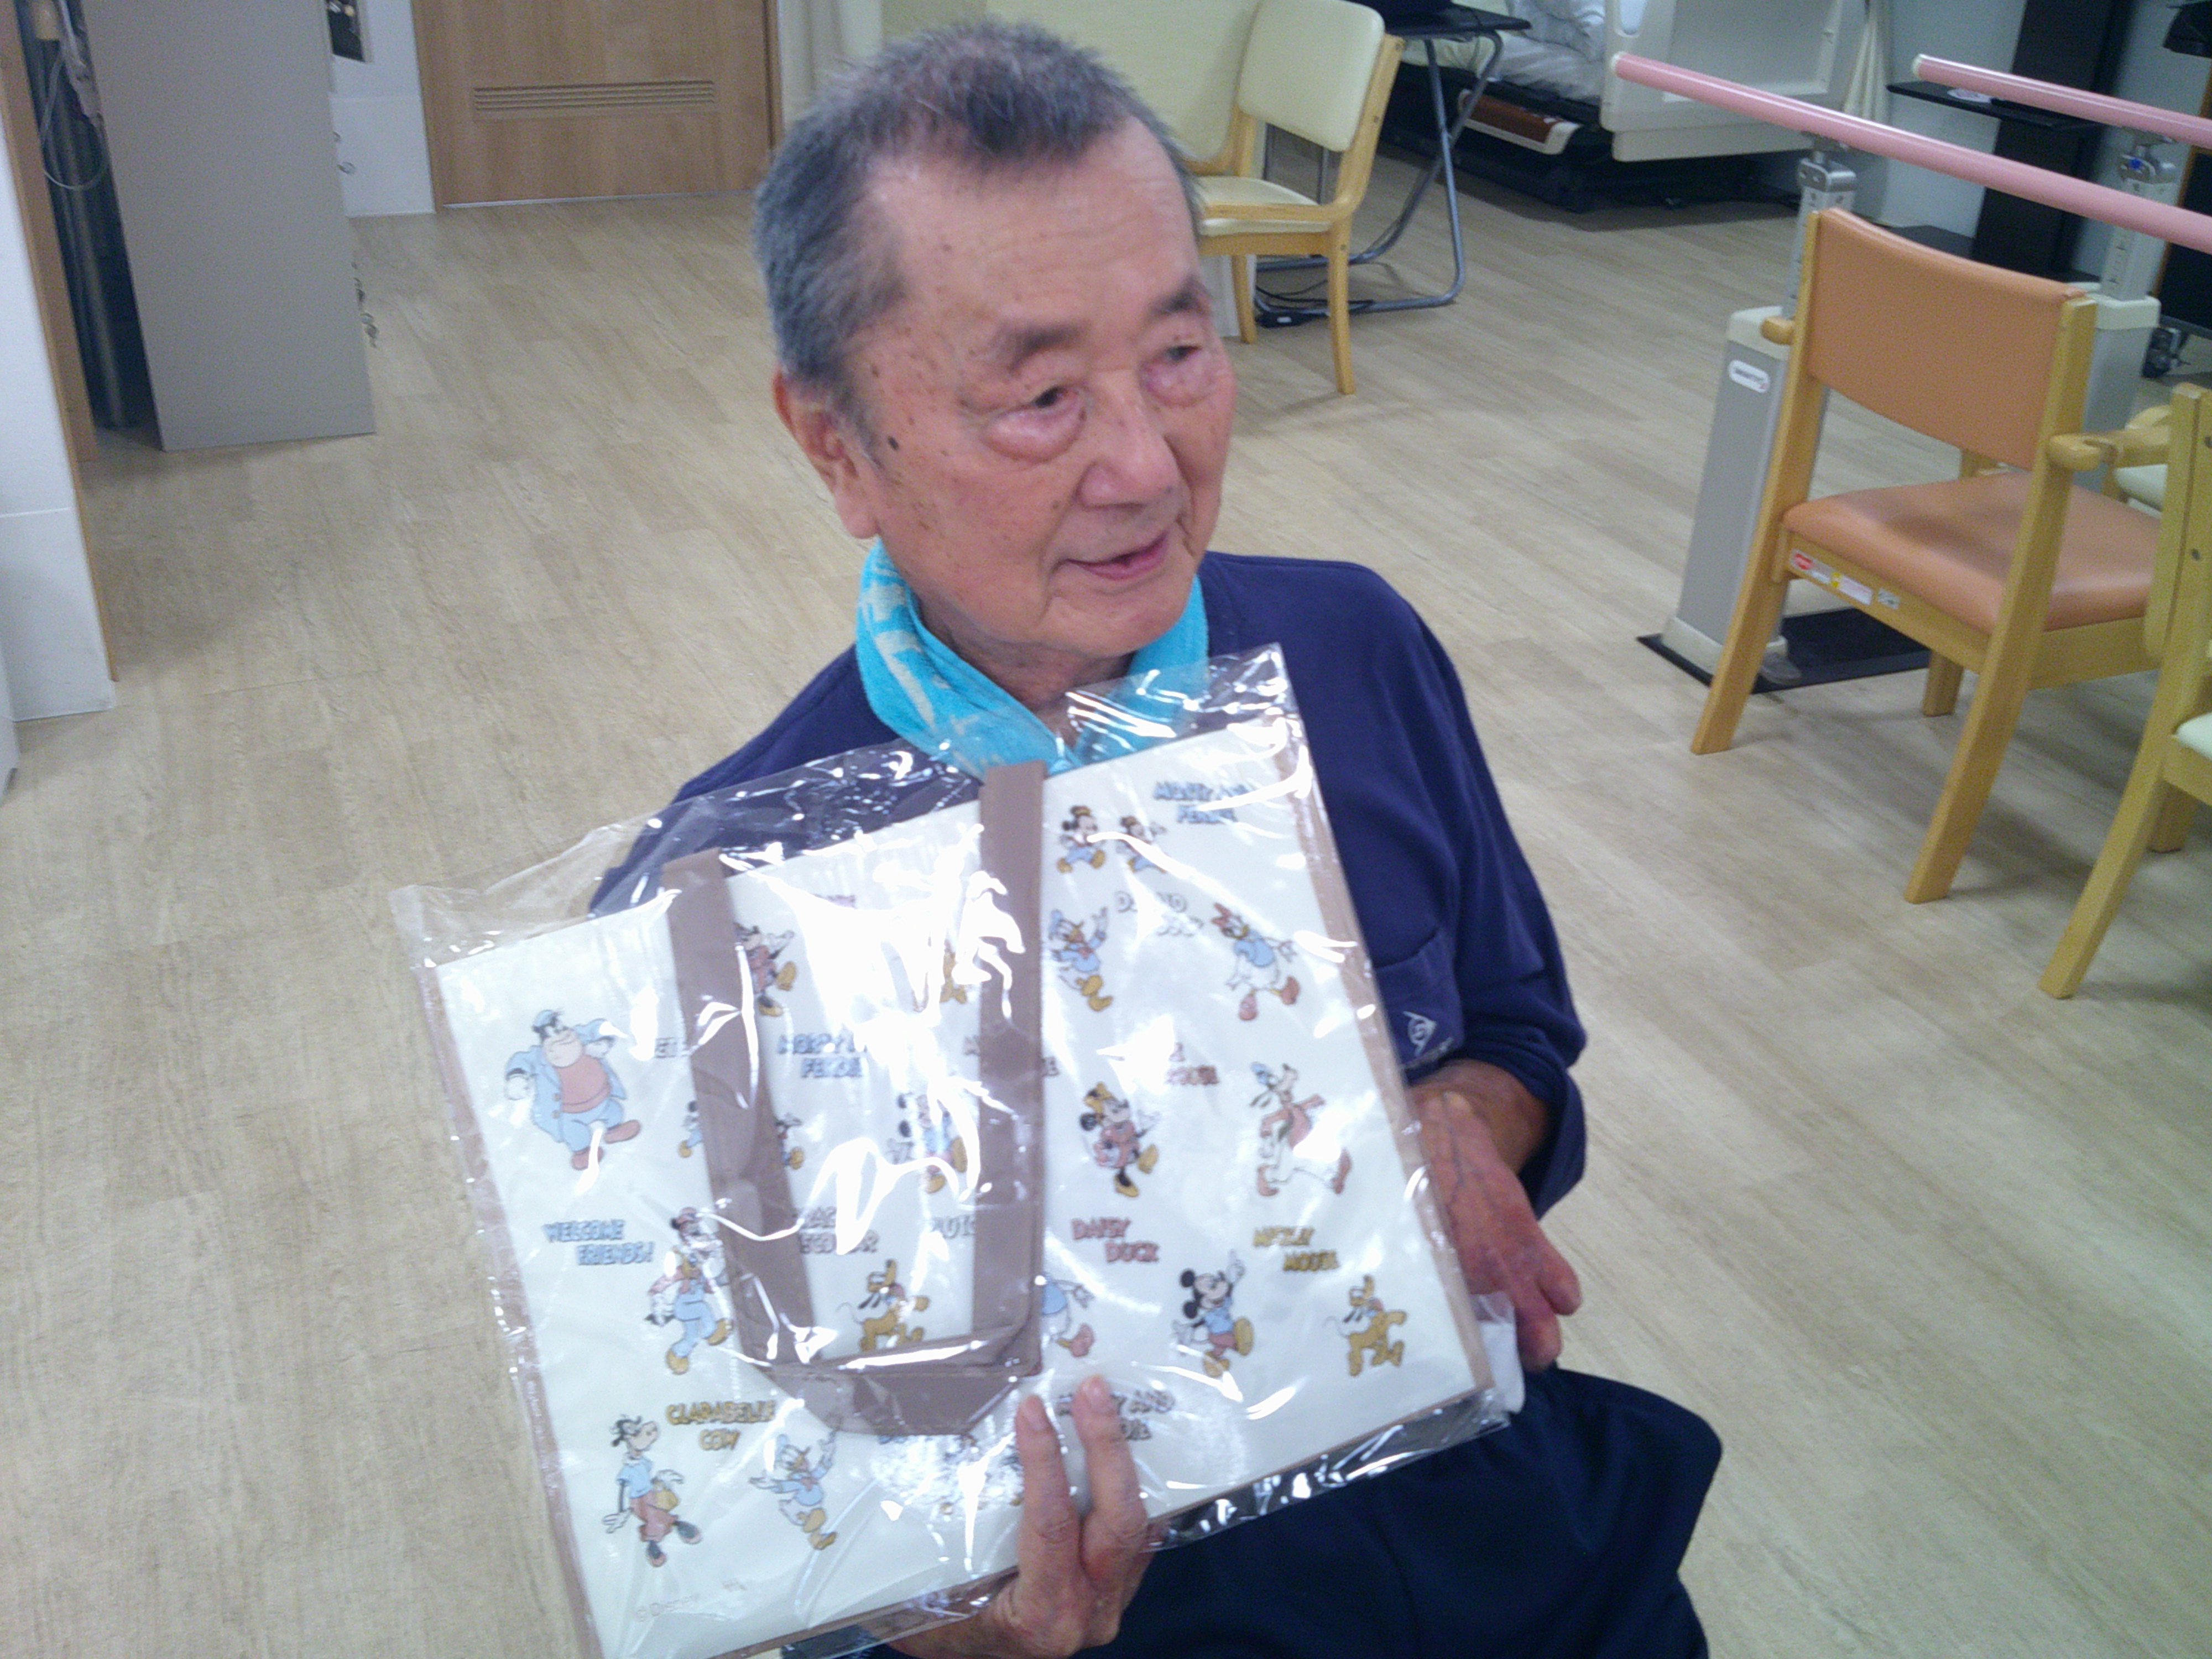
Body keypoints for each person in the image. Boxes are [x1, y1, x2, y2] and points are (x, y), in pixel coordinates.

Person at [630, 22, 1720, 1656]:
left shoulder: (1352, 650)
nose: (1147, 466)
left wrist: (1454, 1122)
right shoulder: (728, 899)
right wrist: (939, 1626)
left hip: (1506, 1528)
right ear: (836, 443)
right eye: (1040, 397)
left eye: (1181, 353)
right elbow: (727, 1484)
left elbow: (1517, 1027)